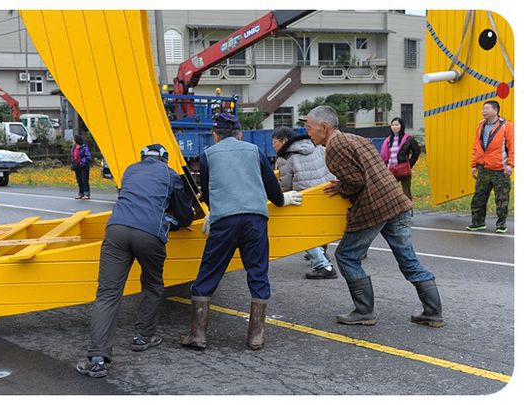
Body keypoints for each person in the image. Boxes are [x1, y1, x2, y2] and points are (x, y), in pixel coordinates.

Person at [305, 105, 444, 328]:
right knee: (408, 259)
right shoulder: (353, 138)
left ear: (324, 126)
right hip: (396, 201)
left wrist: (341, 188)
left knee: (346, 255)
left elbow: (356, 182)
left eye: (309, 127)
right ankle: (433, 312)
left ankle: (364, 311)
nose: (308, 132)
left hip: (375, 206)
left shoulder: (334, 147)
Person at [180, 113, 303, 351]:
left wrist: (212, 213)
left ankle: (198, 335)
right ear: (239, 134)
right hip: (255, 220)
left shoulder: (207, 155)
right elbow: (271, 187)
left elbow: (206, 191)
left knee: (209, 272)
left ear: (215, 136)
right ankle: (256, 336)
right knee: (257, 273)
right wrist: (282, 200)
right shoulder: (254, 151)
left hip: (224, 221)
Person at [77, 144, 195, 378]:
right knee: (152, 285)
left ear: (142, 158)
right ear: (164, 159)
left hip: (116, 230)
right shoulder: (170, 174)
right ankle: (143, 337)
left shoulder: (130, 170)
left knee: (108, 294)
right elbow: (183, 213)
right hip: (149, 235)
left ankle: (97, 359)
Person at [272, 126, 338, 279]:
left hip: (305, 199)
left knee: (300, 231)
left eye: (274, 142)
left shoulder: (285, 157)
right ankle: (322, 254)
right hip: (325, 194)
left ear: (284, 141)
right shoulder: (317, 147)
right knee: (316, 229)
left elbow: (286, 187)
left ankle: (323, 265)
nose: (273, 146)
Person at [468, 100, 514, 233]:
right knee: (479, 197)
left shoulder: (506, 126)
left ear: (495, 110)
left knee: (501, 199)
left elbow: (512, 147)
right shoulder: (480, 126)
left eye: (487, 108)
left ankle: (501, 225)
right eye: (483, 109)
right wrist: (474, 165)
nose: (483, 111)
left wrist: (510, 164)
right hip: (483, 168)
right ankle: (478, 223)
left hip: (500, 169)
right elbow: (476, 147)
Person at [379, 117, 420, 200]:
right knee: (391, 192)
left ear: (402, 126)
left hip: (403, 168)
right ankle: (395, 212)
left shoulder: (408, 139)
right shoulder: (388, 140)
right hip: (391, 170)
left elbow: (416, 151)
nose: (394, 127)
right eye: (393, 125)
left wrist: (410, 164)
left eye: (397, 125)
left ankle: (408, 212)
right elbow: (384, 155)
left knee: (406, 192)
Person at [71, 135, 92, 200]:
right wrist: (73, 162)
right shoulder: (74, 147)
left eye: (74, 140)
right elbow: (72, 155)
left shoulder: (84, 147)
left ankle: (86, 194)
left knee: (84, 180)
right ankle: (81, 193)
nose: (73, 141)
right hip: (77, 165)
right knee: (79, 180)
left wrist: (82, 162)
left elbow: (88, 156)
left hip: (84, 165)